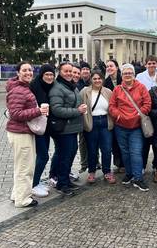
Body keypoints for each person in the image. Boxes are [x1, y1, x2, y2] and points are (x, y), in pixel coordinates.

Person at [6, 61, 49, 208]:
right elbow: (15, 113)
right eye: (24, 70)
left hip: (23, 131)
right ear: (18, 73)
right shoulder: (18, 90)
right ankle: (23, 199)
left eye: (30, 70)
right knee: (25, 167)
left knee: (21, 166)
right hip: (20, 132)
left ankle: (16, 194)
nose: (28, 73)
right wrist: (38, 111)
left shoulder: (22, 87)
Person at [109, 64, 151, 192]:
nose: (127, 75)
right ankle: (129, 173)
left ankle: (138, 178)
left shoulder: (141, 87)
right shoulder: (117, 89)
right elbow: (112, 106)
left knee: (136, 152)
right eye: (125, 73)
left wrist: (137, 115)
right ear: (122, 75)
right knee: (125, 152)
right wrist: (119, 116)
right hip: (121, 126)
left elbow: (147, 104)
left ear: (133, 74)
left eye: (130, 73)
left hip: (136, 126)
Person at [49, 62, 87, 195]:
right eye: (66, 71)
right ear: (59, 72)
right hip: (64, 129)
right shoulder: (57, 88)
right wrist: (77, 111)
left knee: (70, 154)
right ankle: (61, 184)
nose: (70, 73)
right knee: (64, 156)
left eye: (71, 71)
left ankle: (65, 180)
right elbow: (57, 109)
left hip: (72, 128)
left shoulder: (71, 86)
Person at [80, 70, 115, 184]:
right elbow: (80, 105)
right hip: (92, 122)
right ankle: (91, 172)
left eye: (99, 78)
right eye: (94, 79)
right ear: (91, 80)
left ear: (102, 80)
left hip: (105, 121)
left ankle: (107, 172)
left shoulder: (108, 91)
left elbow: (113, 106)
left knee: (106, 149)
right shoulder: (85, 91)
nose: (97, 81)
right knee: (92, 149)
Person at [29, 63, 55, 197]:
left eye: (51, 74)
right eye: (47, 74)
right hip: (37, 126)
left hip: (47, 126)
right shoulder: (34, 86)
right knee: (43, 155)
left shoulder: (52, 86)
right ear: (42, 75)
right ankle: (33, 184)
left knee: (43, 155)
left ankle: (36, 181)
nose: (49, 77)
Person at [136, 56, 157, 171]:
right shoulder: (140, 76)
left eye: (154, 63)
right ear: (145, 65)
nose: (151, 65)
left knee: (156, 140)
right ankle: (143, 165)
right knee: (144, 140)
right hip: (144, 111)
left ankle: (156, 164)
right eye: (149, 63)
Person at [103, 59, 124, 172]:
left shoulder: (123, 78)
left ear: (116, 67)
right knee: (114, 140)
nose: (109, 68)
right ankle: (118, 163)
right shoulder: (105, 82)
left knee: (123, 140)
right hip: (112, 114)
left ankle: (124, 162)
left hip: (125, 113)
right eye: (107, 66)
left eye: (111, 66)